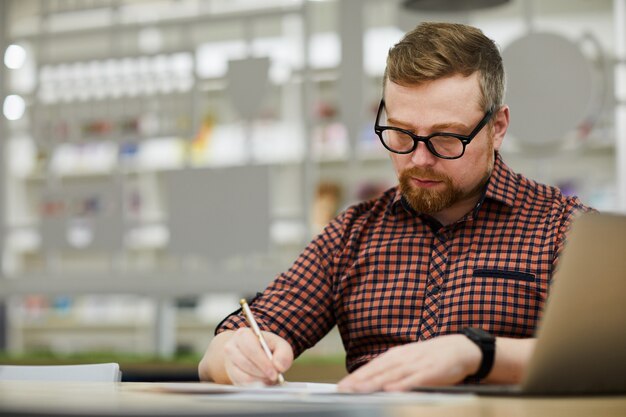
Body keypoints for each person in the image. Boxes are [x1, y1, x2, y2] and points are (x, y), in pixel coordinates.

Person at [198, 22, 592, 392]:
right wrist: (236, 355)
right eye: (401, 134)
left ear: (497, 127)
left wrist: (476, 354)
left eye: (447, 138)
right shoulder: (354, 233)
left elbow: (601, 356)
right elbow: (216, 357)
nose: (419, 159)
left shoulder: (565, 229)